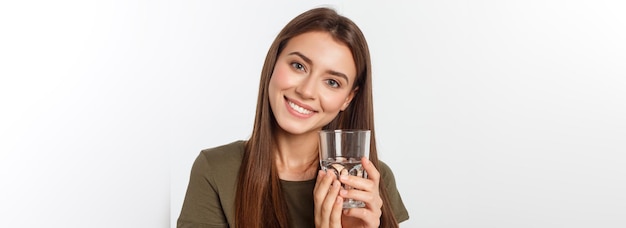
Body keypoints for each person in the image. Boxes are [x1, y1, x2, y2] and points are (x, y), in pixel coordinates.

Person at [178, 7, 409, 228]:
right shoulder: (217, 170)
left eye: (332, 82)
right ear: (274, 61)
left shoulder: (370, 183)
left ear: (348, 98)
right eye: (298, 66)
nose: (306, 91)